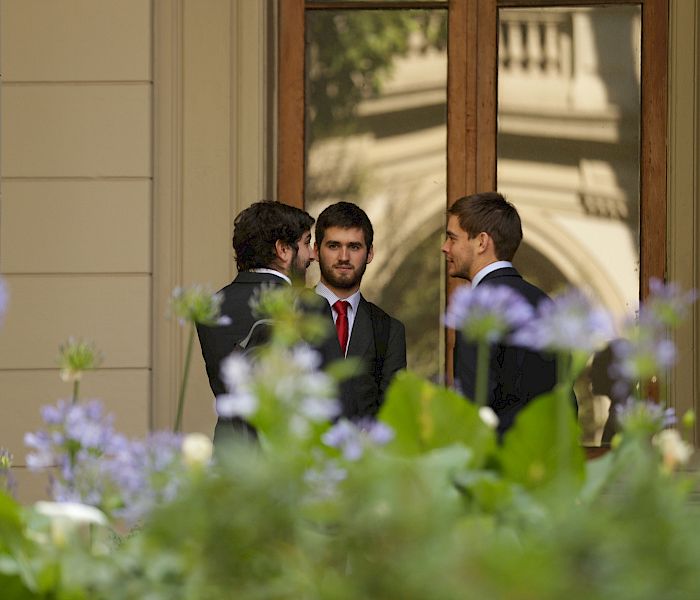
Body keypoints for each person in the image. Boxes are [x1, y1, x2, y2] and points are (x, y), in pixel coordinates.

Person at [197, 200, 315, 443]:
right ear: (283, 250)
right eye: (306, 243)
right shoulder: (308, 306)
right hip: (287, 457)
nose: (311, 254)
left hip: (231, 454)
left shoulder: (210, 307)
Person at [442, 192, 557, 435]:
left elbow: (473, 404)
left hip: (498, 464)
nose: (445, 247)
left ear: (482, 242)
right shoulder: (544, 302)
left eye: (452, 238)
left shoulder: (476, 306)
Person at [314, 201, 406, 420]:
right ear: (316, 251)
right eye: (334, 246)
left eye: (354, 247)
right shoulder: (290, 316)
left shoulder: (388, 330)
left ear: (370, 253)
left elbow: (391, 414)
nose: (344, 257)